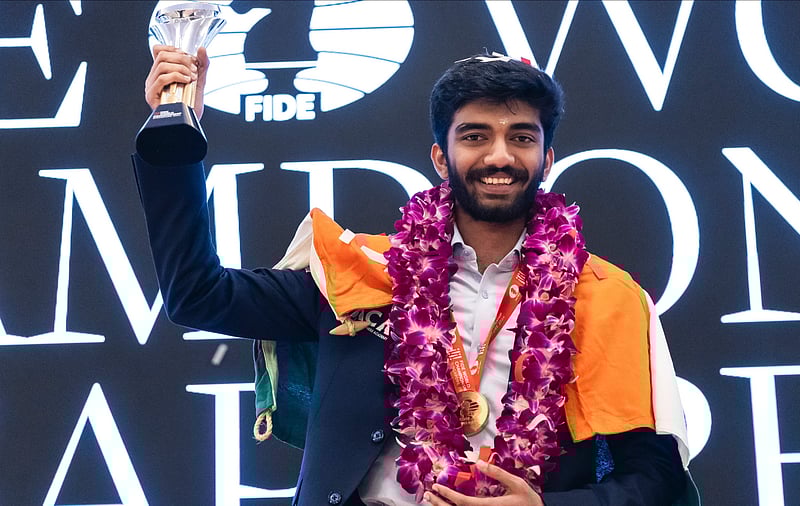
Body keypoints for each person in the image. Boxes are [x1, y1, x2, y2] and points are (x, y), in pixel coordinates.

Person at [137, 45, 691, 505]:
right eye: (475, 136)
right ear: (439, 155)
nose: (499, 155)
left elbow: (655, 481)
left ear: (547, 159)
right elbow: (196, 294)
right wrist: (174, 139)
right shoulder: (361, 275)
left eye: (521, 137)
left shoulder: (606, 297)